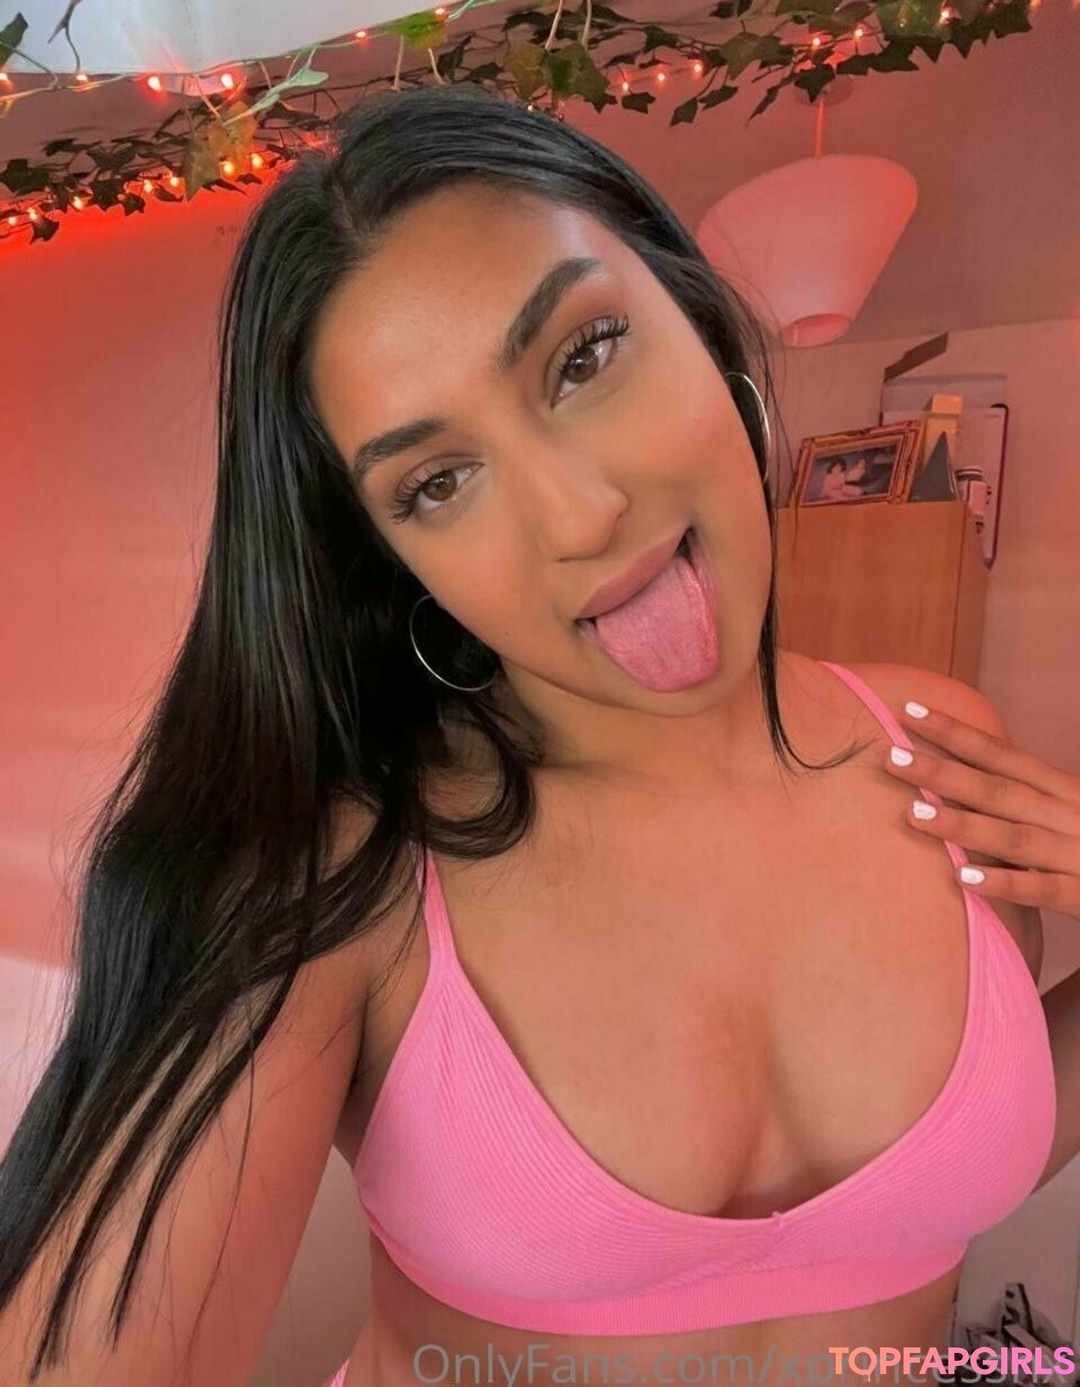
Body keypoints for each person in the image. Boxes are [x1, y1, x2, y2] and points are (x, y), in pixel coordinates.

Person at [1, 84, 1072, 1387]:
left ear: (695, 313)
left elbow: (966, 1168)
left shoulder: (933, 741)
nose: (579, 514)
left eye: (583, 358)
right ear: (394, 561)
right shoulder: (351, 873)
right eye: (437, 482)